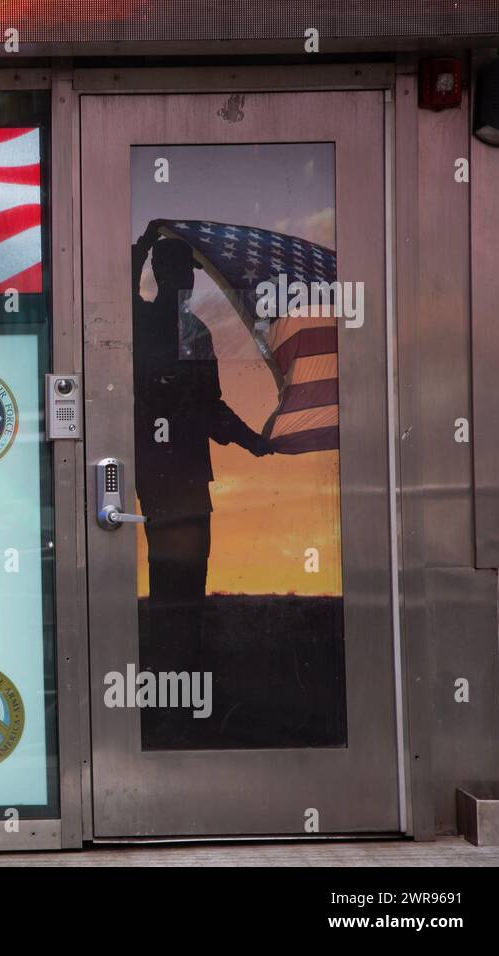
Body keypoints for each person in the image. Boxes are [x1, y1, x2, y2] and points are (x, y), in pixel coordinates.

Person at [130, 225, 273, 663]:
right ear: (161, 272)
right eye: (179, 271)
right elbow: (113, 283)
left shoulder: (194, 329)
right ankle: (171, 662)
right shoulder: (141, 319)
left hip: (184, 471)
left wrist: (254, 441)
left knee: (189, 573)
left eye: (189, 274)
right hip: (163, 470)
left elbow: (211, 406)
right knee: (172, 571)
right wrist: (145, 242)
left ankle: (183, 661)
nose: (188, 281)